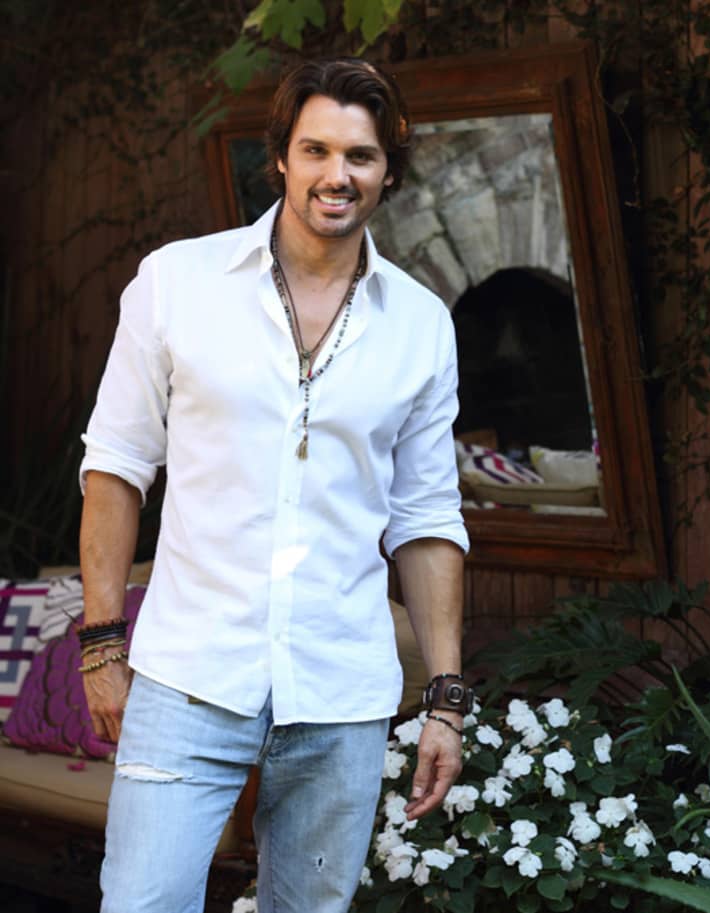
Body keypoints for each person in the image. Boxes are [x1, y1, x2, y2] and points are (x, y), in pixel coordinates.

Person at [78, 57, 470, 913]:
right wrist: (102, 642)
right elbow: (115, 463)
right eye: (317, 149)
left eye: (360, 156)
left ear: (388, 171)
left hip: (340, 692)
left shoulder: (421, 326)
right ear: (282, 159)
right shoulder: (177, 283)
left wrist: (445, 698)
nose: (338, 175)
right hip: (188, 677)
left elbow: (428, 516)